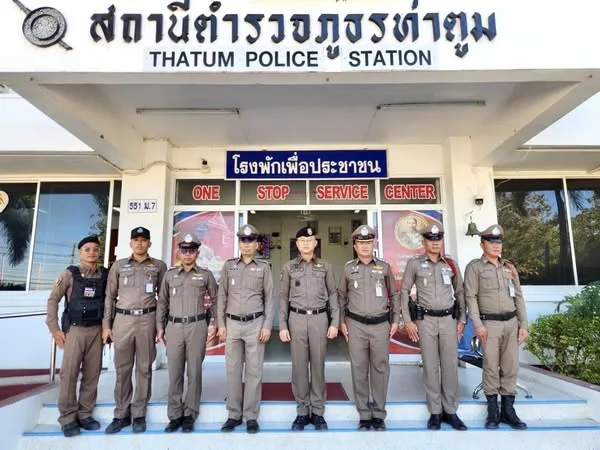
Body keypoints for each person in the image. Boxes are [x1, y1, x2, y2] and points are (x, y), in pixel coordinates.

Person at [400, 223, 467, 431]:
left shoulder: (451, 265)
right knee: (430, 366)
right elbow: (404, 292)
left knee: (450, 366)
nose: (435, 243)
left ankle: (451, 411)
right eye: (431, 239)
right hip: (426, 321)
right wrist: (408, 320)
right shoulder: (415, 264)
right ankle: (435, 411)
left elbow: (460, 292)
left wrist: (462, 319)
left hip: (448, 320)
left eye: (438, 239)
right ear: (424, 242)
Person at [102, 227, 167, 434]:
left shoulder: (158, 266)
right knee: (122, 369)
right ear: (130, 243)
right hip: (123, 321)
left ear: (149, 243)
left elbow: (163, 299)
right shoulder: (119, 266)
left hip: (147, 320)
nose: (140, 243)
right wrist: (106, 325)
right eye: (136, 240)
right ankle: (121, 413)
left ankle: (139, 413)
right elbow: (109, 296)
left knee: (144, 368)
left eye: (143, 240)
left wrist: (160, 326)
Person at [464, 224, 528, 430]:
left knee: (511, 366)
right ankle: (493, 411)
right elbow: (470, 297)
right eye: (491, 242)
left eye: (498, 242)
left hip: (511, 323)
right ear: (482, 244)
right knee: (491, 366)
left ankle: (508, 410)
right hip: (489, 324)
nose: (496, 246)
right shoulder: (475, 267)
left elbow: (518, 297)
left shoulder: (509, 267)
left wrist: (523, 324)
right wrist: (477, 324)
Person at [338, 225, 401, 431]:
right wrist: (341, 321)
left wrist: (395, 320)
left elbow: (394, 295)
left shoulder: (384, 267)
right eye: (361, 243)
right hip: (355, 325)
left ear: (373, 244)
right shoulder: (348, 268)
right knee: (359, 369)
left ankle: (379, 413)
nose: (365, 246)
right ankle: (364, 414)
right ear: (355, 246)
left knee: (380, 369)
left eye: (368, 242)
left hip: (380, 325)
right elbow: (341, 297)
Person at [46, 235, 107, 437]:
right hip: (75, 330)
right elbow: (53, 300)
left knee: (92, 374)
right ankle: (67, 418)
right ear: (80, 253)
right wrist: (54, 329)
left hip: (96, 331)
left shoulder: (105, 275)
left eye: (95, 249)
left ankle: (85, 414)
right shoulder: (68, 274)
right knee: (69, 374)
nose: (92, 252)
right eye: (87, 249)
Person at [279, 226, 339, 431]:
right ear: (297, 244)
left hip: (319, 319)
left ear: (315, 243)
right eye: (302, 240)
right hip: (296, 319)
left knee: (318, 366)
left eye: (309, 240)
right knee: (299, 367)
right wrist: (283, 325)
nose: (306, 243)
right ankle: (303, 411)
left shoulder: (325, 266)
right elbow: (283, 297)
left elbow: (333, 293)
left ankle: (318, 411)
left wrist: (335, 322)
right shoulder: (288, 267)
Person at [156, 232, 218, 433]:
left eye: (192, 250)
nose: (188, 254)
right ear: (179, 252)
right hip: (174, 327)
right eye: (184, 250)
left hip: (197, 326)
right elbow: (162, 302)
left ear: (197, 253)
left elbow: (216, 300)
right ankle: (175, 415)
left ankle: (190, 413)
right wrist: (159, 327)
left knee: (194, 371)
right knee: (175, 372)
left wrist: (215, 323)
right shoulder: (170, 275)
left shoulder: (206, 275)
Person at [217, 224, 274, 434]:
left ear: (257, 244)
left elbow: (269, 299)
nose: (247, 244)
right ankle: (233, 414)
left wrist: (267, 325)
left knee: (254, 371)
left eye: (251, 241)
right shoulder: (229, 266)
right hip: (232, 324)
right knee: (232, 371)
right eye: (243, 240)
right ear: (239, 243)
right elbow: (221, 296)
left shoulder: (264, 268)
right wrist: (221, 324)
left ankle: (251, 415)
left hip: (255, 325)